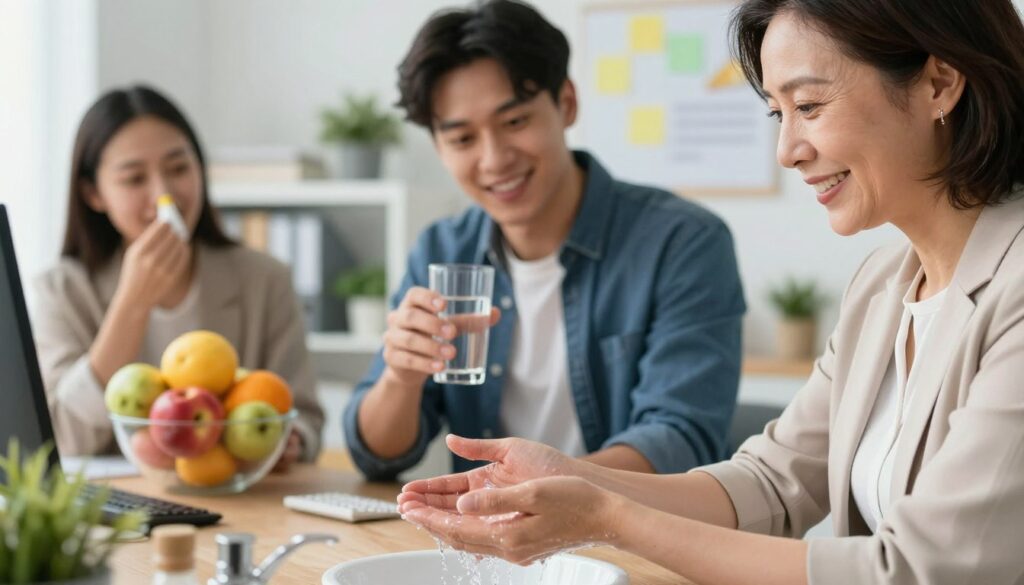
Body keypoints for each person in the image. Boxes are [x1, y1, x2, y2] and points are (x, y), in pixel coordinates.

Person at [398, 0, 1024, 583]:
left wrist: (606, 517)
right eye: (778, 115)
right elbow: (772, 483)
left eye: (808, 107)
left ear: (939, 84)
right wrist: (572, 478)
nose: (787, 151)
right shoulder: (881, 289)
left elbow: (914, 568)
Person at [343, 0, 745, 479]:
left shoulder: (682, 242)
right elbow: (378, 454)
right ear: (438, 146)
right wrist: (401, 377)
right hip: (490, 543)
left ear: (566, 104)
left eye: (515, 122)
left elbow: (681, 438)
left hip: (637, 543)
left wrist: (531, 490)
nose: (493, 160)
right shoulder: (443, 250)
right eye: (463, 139)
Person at [33, 85, 325, 468]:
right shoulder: (62, 290)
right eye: (135, 179)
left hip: (236, 495)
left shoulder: (263, 279)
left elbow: (304, 415)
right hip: (121, 509)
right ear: (93, 194)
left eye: (179, 168)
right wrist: (132, 303)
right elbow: (62, 436)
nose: (164, 195)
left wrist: (290, 441)